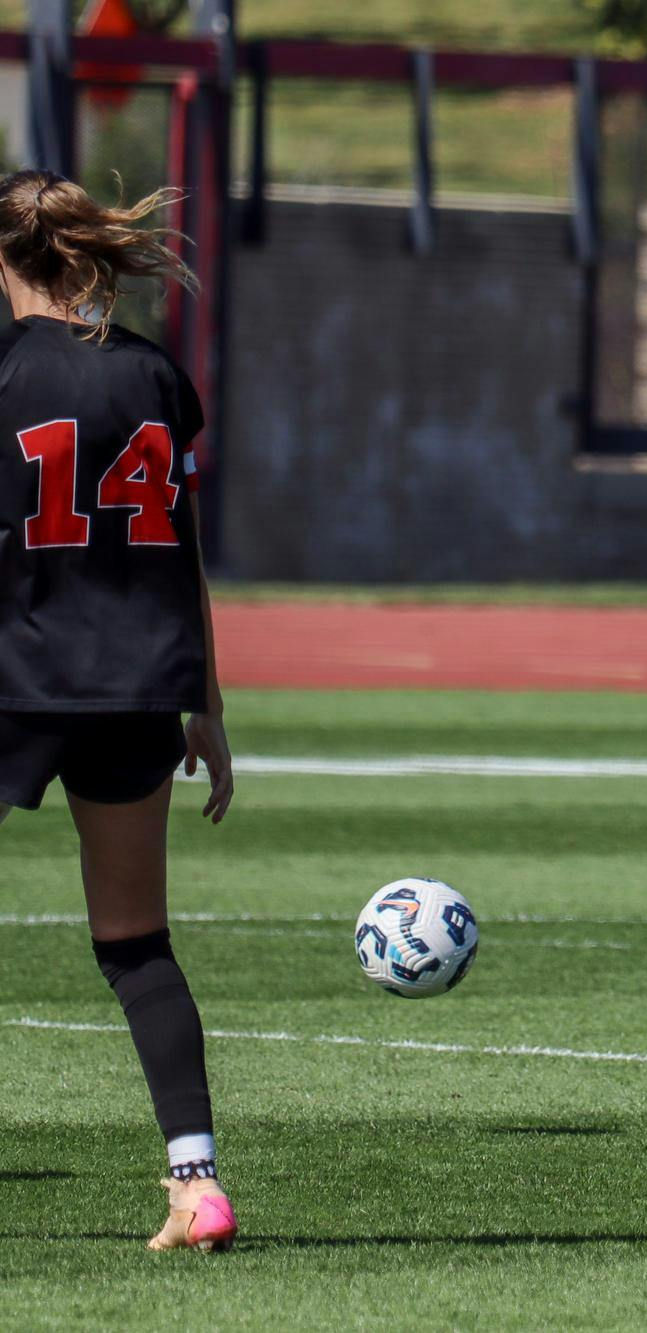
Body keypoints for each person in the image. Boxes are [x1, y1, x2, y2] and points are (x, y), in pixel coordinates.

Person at [0, 171, 238, 1249]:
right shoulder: (152, 373)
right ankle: (197, 1185)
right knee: (138, 946)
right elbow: (182, 551)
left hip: (22, 677)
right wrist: (209, 707)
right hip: (143, 685)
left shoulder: (6, 377)